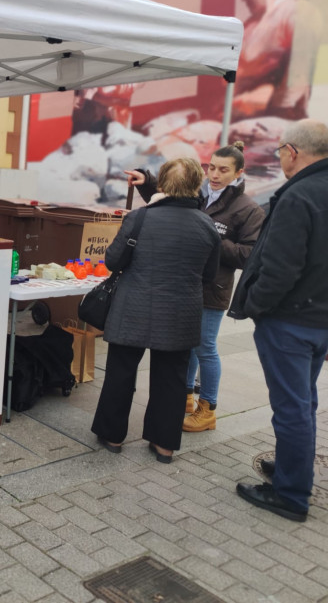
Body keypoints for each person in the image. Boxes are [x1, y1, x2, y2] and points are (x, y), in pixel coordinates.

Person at [229, 119, 328, 522]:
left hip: (291, 320)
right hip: (327, 317)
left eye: (279, 153)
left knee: (291, 408)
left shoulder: (298, 196)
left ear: (291, 152)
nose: (279, 159)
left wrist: (256, 304)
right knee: (302, 401)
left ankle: (291, 495)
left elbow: (280, 268)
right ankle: (294, 467)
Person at [125, 143, 265, 431]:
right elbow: (172, 203)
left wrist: (210, 235)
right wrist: (148, 182)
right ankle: (186, 397)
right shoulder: (199, 194)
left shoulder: (248, 209)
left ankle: (208, 408)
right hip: (183, 284)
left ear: (239, 172)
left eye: (223, 170)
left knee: (205, 348)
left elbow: (248, 255)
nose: (214, 174)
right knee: (185, 346)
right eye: (211, 167)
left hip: (213, 289)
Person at [92, 158, 220, 464]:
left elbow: (112, 261)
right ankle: (164, 445)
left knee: (121, 373)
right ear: (195, 186)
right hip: (181, 313)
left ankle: (112, 436)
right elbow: (210, 275)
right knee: (172, 380)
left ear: (161, 185)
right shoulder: (207, 225)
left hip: (133, 308)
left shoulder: (141, 218)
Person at [232, 0, 321, 121]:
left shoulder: (296, 11)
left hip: (277, 116)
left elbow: (300, 67)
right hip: (237, 114)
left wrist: (279, 108)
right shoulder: (249, 26)